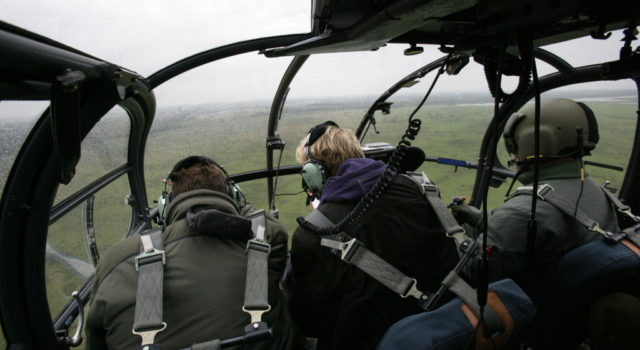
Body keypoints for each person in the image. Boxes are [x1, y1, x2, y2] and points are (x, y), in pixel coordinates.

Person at [86, 156, 296, 350]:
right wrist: (240, 206)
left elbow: (95, 339)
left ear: (165, 207)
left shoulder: (117, 259)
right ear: (233, 197)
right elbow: (270, 226)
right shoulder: (267, 240)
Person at [288, 121, 459, 350]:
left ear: (313, 172)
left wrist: (324, 215)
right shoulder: (417, 187)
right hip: (449, 324)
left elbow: (311, 321)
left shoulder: (313, 232)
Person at [451, 98, 619, 287]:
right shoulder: (598, 191)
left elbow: (475, 270)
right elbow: (520, 233)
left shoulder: (526, 210)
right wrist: (479, 219)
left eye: (515, 146)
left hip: (532, 309)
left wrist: (456, 232)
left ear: (534, 142)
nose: (514, 155)